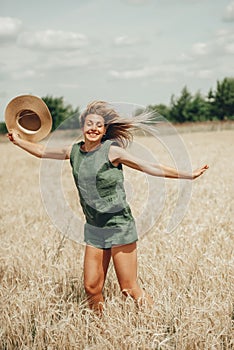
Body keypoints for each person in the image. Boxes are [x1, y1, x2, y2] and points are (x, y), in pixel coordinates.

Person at [7, 100, 208, 313]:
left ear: (104, 131)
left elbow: (150, 167)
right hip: (94, 228)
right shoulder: (73, 151)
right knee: (91, 287)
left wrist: (187, 175)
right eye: (89, 123)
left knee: (129, 289)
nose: (93, 128)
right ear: (83, 126)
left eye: (99, 125)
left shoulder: (112, 152)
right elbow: (41, 151)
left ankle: (155, 319)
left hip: (118, 225)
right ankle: (100, 329)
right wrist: (18, 141)